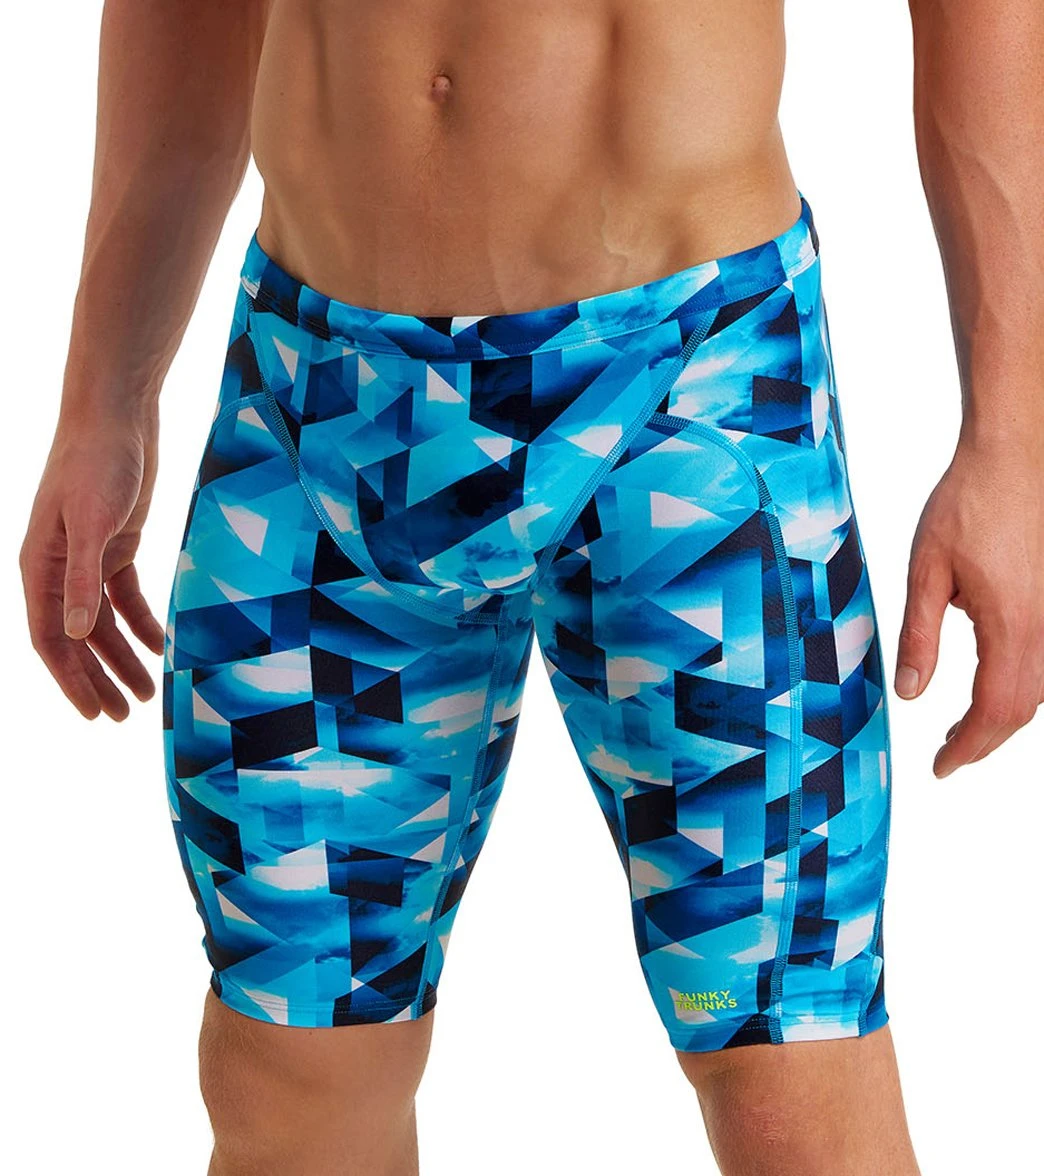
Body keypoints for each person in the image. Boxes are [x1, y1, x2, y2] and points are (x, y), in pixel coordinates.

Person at [18, 2, 1043, 1174]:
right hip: (322, 407)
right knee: (288, 1080)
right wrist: (103, 397)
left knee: (792, 1084)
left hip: (691, 397)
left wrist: (1013, 446)